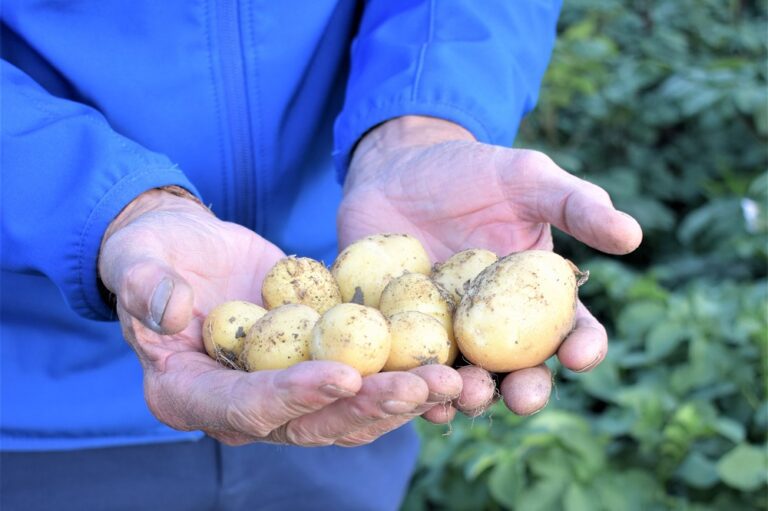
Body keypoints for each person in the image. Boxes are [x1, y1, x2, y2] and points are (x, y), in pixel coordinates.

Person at [1, 1, 642, 510]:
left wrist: (422, 121)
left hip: (356, 397)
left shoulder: (380, 318)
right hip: (32, 401)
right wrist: (106, 205)